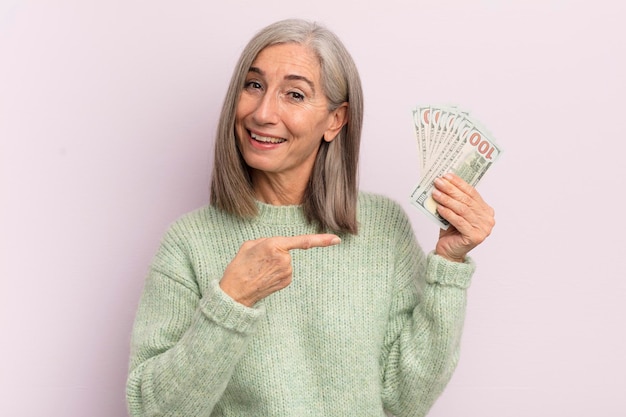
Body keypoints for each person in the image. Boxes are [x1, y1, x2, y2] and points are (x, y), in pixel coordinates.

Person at [126, 18, 495, 417]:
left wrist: (450, 263)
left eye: (295, 95)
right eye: (254, 85)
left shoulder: (382, 227)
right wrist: (232, 301)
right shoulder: (188, 242)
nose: (264, 113)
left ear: (336, 120)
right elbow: (152, 411)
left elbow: (403, 401)